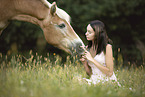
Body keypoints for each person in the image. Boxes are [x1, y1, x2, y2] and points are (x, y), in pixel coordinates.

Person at [80, 20, 121, 86]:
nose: (86, 34)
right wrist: (84, 63)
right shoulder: (88, 48)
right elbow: (90, 73)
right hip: (94, 80)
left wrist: (92, 60)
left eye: (89, 32)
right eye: (86, 31)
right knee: (76, 80)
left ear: (97, 34)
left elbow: (109, 73)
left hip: (107, 81)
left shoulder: (107, 47)